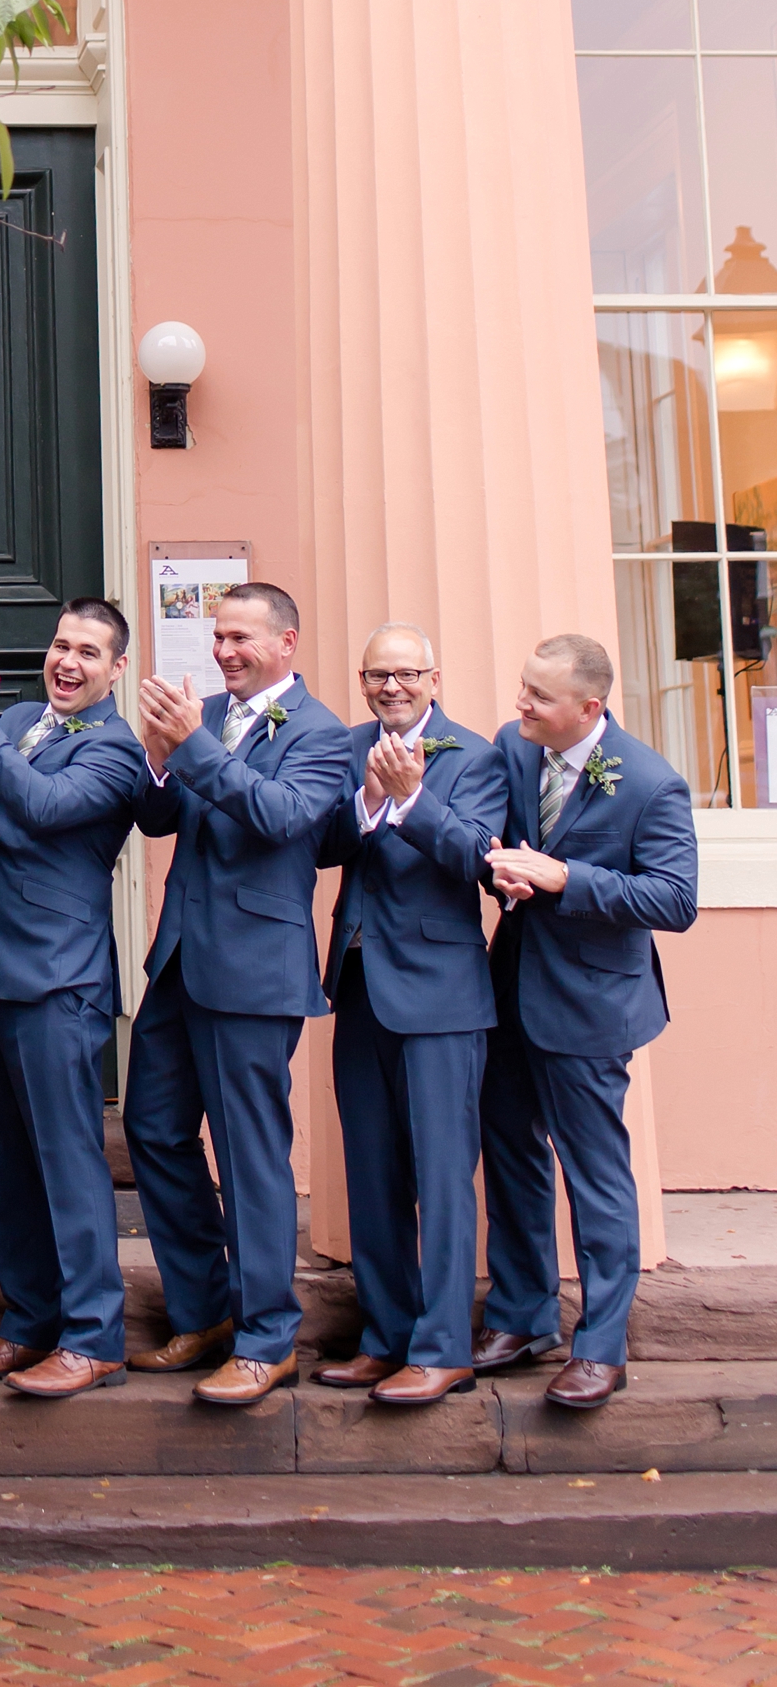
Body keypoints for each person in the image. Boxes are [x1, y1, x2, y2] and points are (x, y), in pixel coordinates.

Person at [124, 580, 351, 1407]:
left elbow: (282, 818)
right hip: (182, 960)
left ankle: (266, 1338)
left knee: (251, 1156)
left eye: (241, 639)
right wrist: (159, 758)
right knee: (151, 1128)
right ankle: (205, 1311)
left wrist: (195, 748)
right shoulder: (210, 720)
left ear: (286, 643)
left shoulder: (322, 734)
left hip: (254, 973)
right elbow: (160, 820)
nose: (224, 651)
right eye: (218, 637)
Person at [0, 600, 148, 1399]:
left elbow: (43, 807)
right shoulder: (16, 719)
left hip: (60, 983)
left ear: (117, 669)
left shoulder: (119, 750)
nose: (67, 661)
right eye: (60, 644)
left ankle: (94, 1337)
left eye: (88, 651)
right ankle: (27, 1323)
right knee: (9, 1164)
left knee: (70, 1164)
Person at [474, 631, 699, 1410]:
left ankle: (602, 1344)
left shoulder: (650, 783)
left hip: (593, 1003)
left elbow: (674, 901)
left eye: (539, 696)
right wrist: (497, 867)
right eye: (523, 687)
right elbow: (492, 838)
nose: (520, 704)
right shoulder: (514, 745)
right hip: (506, 992)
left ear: (589, 708)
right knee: (508, 1156)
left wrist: (568, 877)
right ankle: (522, 1316)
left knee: (597, 1175)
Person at [313, 621, 509, 1407]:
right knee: (372, 1170)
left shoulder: (476, 754)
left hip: (440, 991)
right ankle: (384, 1337)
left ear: (434, 677)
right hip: (358, 980)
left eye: (404, 674)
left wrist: (411, 799)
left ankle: (442, 1346)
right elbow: (320, 842)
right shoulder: (351, 743)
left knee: (441, 1174)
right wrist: (365, 798)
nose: (389, 688)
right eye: (375, 676)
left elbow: (477, 858)